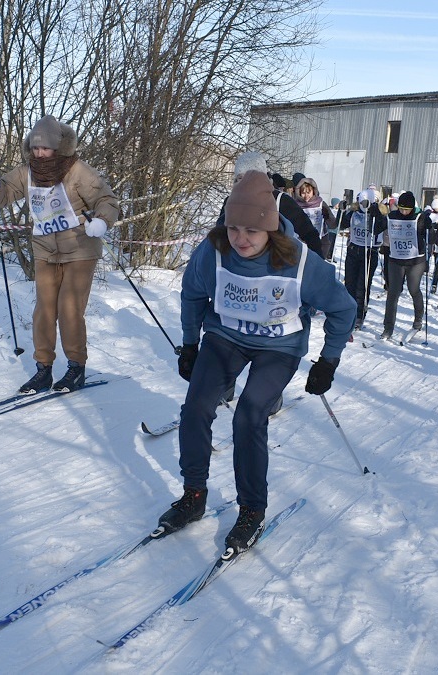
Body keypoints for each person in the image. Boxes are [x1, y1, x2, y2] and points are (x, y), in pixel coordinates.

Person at [159, 170, 356, 554]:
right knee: (196, 407)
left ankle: (251, 508)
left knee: (249, 415)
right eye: (233, 228)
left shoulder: (299, 261)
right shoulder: (213, 251)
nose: (240, 239)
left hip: (277, 347)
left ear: (270, 228)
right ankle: (194, 493)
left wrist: (327, 362)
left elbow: (343, 308)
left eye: (251, 230)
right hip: (226, 337)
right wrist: (189, 345)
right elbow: (193, 295)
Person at [0, 114, 119, 394]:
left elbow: (107, 199)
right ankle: (43, 370)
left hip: (80, 248)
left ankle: (76, 367)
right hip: (45, 250)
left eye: (45, 148)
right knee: (43, 311)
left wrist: (102, 220)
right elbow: (5, 194)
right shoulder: (27, 171)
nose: (40, 154)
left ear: (58, 148)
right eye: (35, 148)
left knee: (69, 308)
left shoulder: (77, 170)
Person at [213, 153, 324, 258]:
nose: (244, 184)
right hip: (237, 269)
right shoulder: (230, 202)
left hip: (275, 268)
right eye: (240, 178)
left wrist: (317, 267)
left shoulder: (280, 201)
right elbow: (219, 236)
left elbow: (309, 234)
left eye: (250, 178)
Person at [376, 191, 431, 340]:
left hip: (415, 260)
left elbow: (429, 233)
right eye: (401, 208)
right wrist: (375, 217)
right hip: (396, 259)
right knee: (393, 293)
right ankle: (388, 328)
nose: (403, 212)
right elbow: (377, 228)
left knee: (414, 290)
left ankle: (418, 320)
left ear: (412, 208)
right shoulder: (392, 216)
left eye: (406, 209)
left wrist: (428, 224)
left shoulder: (419, 218)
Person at [343, 191, 384, 329]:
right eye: (361, 203)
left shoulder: (377, 213)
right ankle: (348, 312)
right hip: (354, 250)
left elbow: (381, 227)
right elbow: (341, 224)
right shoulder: (354, 212)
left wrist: (376, 212)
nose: (363, 206)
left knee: (362, 286)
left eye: (366, 204)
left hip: (369, 253)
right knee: (350, 284)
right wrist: (343, 211)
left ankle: (359, 315)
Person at [294, 176, 338, 260]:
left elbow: (332, 225)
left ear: (314, 191)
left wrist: (328, 217)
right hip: (302, 242)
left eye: (308, 192)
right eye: (303, 192)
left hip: (320, 242)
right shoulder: (296, 205)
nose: (306, 195)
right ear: (298, 192)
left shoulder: (321, 204)